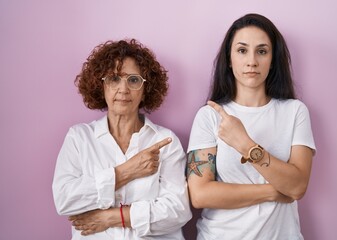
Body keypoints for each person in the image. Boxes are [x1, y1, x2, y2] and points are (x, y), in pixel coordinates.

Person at [186, 13, 316, 240]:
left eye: (262, 51)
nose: (252, 61)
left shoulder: (295, 111)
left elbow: (297, 186)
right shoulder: (210, 116)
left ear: (273, 59)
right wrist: (273, 191)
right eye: (242, 50)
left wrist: (245, 145)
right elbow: (200, 194)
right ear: (229, 58)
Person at [52, 39, 192, 239]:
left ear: (145, 89)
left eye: (133, 80)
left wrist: (113, 217)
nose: (123, 89)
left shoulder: (165, 141)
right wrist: (126, 171)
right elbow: (64, 200)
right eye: (114, 79)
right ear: (101, 86)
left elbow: (178, 211)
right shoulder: (79, 138)